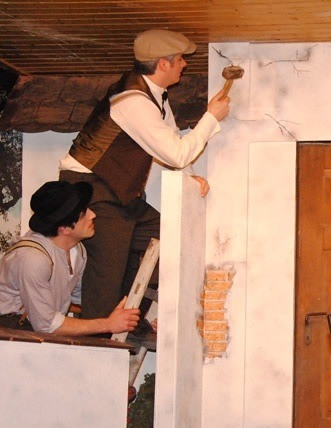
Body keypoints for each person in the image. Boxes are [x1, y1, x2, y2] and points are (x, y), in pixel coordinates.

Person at [58, 29, 230, 321]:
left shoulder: (155, 97)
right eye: (180, 59)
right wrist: (211, 117)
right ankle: (98, 336)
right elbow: (176, 153)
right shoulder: (133, 102)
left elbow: (171, 143)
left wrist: (189, 176)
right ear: (163, 64)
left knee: (169, 237)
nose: (184, 64)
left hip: (119, 194)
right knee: (107, 272)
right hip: (91, 190)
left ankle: (129, 319)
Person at [0, 181, 140, 335]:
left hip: (31, 326)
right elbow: (47, 325)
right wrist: (108, 324)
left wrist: (121, 313)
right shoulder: (33, 259)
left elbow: (81, 297)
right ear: (64, 228)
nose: (93, 215)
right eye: (83, 213)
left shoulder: (77, 250)